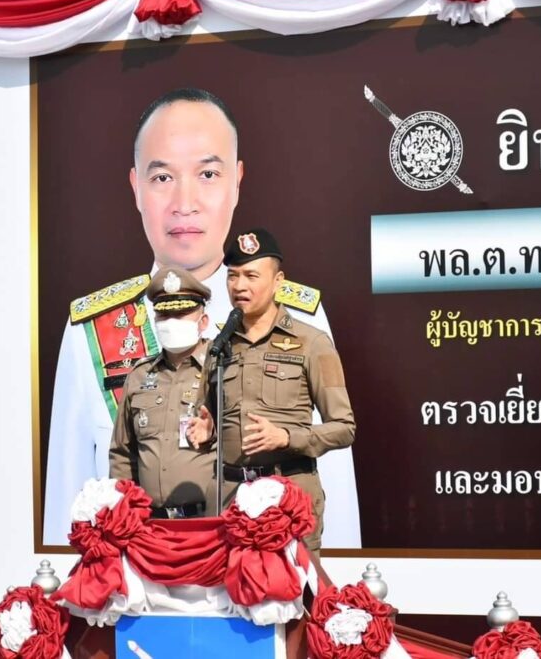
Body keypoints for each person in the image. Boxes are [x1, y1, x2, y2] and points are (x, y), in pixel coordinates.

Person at [43, 89, 361, 547]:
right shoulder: (93, 332)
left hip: (264, 581)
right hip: (141, 584)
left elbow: (332, 489)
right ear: (136, 188)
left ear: (237, 182)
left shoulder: (296, 316)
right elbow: (69, 511)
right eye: (162, 178)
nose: (184, 202)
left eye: (208, 174)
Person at [188, 228, 356, 553]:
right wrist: (206, 432)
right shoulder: (218, 347)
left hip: (288, 497)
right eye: (232, 276)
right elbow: (204, 420)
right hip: (230, 500)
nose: (239, 286)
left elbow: (344, 428)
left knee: (291, 586)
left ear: (278, 281)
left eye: (251, 276)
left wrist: (287, 437)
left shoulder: (313, 343)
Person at [108, 267, 214, 517]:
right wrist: (125, 512)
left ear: (203, 322)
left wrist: (215, 431)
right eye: (164, 315)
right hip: (150, 522)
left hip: (207, 521)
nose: (172, 322)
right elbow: (123, 453)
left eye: (181, 314)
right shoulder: (140, 374)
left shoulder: (221, 369)